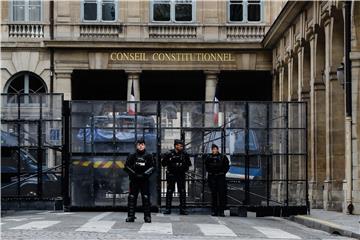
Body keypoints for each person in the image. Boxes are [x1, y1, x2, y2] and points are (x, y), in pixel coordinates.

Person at [124, 138, 155, 223]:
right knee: (132, 197)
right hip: (134, 180)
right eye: (139, 144)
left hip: (144, 180)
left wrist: (145, 174)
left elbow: (152, 167)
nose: (141, 146)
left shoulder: (149, 155)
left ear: (144, 145)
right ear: (136, 146)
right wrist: (134, 174)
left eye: (142, 144)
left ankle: (147, 217)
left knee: (145, 198)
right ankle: (130, 216)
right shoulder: (132, 155)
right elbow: (126, 166)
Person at [161, 139, 192, 215]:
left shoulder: (184, 154)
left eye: (182, 145)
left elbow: (189, 164)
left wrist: (183, 168)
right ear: (175, 146)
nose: (181, 147)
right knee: (169, 191)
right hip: (171, 174)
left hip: (180, 174)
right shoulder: (169, 153)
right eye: (179, 145)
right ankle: (168, 209)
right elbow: (163, 164)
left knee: (182, 191)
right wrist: (170, 160)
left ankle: (183, 209)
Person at [204, 144, 230, 217]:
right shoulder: (209, 157)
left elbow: (227, 166)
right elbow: (206, 166)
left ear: (218, 149)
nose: (214, 150)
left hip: (220, 177)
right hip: (213, 177)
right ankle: (215, 211)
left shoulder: (222, 157)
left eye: (215, 149)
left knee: (221, 194)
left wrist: (222, 173)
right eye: (213, 149)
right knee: (214, 194)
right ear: (212, 150)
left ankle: (221, 211)